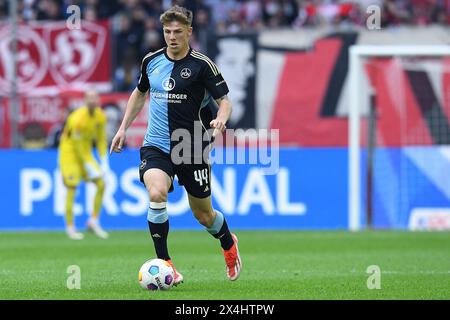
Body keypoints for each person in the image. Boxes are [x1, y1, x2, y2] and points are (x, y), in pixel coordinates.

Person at [110, 5, 241, 285]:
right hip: (156, 144)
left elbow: (226, 101)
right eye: (167, 31)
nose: (172, 37)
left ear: (189, 32)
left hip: (192, 146)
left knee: (204, 215)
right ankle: (166, 263)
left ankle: (228, 244)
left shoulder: (202, 65)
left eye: (178, 32)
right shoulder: (151, 61)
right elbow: (139, 93)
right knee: (156, 193)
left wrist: (220, 119)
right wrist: (122, 128)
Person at [58, 89, 110, 240]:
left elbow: (100, 139)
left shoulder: (101, 116)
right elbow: (76, 144)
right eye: (90, 98)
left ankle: (93, 221)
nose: (93, 100)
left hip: (86, 154)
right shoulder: (77, 119)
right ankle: (70, 227)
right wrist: (88, 164)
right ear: (85, 100)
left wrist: (104, 161)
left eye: (95, 97)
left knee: (101, 183)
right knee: (72, 188)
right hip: (70, 154)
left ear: (98, 99)